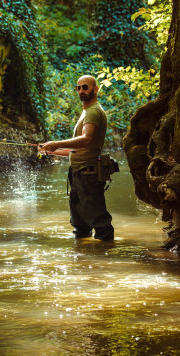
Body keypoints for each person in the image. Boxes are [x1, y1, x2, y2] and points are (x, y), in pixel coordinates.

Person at [38, 74, 114, 241]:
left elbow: (86, 140)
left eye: (85, 87)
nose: (81, 91)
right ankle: (81, 262)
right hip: (79, 174)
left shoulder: (93, 111)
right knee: (80, 225)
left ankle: (105, 260)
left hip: (88, 175)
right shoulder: (87, 111)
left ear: (96, 89)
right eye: (78, 88)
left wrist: (56, 143)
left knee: (100, 224)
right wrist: (50, 151)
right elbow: (77, 150)